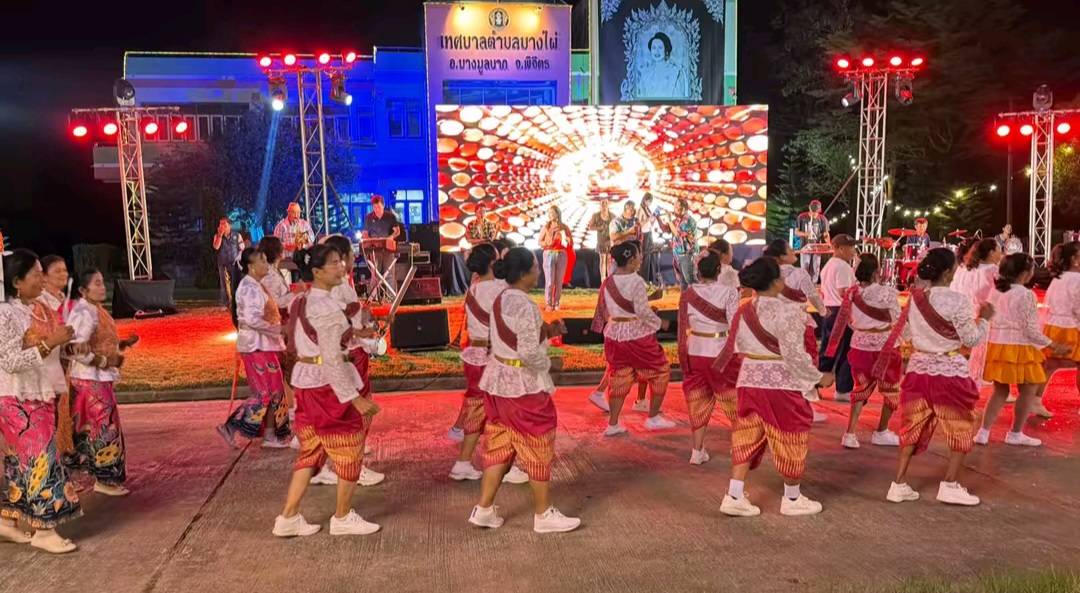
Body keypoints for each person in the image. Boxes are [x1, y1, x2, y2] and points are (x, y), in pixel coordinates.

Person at [467, 247, 580, 533]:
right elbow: (528, 353)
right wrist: (549, 364)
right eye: (536, 267)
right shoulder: (526, 305)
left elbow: (516, 337)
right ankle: (543, 514)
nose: (539, 271)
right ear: (525, 273)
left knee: (500, 445)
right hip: (522, 387)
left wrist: (549, 331)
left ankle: (484, 509)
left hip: (498, 382)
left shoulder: (501, 298)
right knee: (538, 443)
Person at [272, 244, 381, 538]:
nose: (341, 266)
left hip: (306, 383)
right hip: (327, 387)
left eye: (339, 261)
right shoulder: (328, 309)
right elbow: (332, 359)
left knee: (311, 451)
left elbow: (301, 340)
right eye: (334, 263)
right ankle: (342, 516)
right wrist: (354, 398)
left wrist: (357, 333)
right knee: (349, 450)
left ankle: (288, 517)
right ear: (317, 272)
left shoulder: (301, 301)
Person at [718, 257, 834, 518]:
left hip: (750, 378)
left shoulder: (743, 310)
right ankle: (792, 498)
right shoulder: (790, 311)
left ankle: (734, 495)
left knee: (746, 434)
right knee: (790, 434)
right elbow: (794, 355)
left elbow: (735, 346)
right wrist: (817, 378)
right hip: (781, 383)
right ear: (774, 282)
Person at [884, 248, 993, 507]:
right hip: (950, 372)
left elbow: (905, 333)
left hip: (919, 369)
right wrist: (984, 320)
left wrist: (926, 341)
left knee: (911, 426)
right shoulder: (959, 301)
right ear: (947, 272)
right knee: (961, 426)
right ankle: (950, 485)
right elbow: (971, 339)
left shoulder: (915, 299)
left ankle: (898, 484)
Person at [0, 249, 81, 553]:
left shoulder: (35, 307)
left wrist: (66, 345)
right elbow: (10, 361)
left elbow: (48, 348)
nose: (42, 279)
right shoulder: (4, 313)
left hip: (40, 393)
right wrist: (50, 343)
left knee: (19, 463)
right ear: (17, 281)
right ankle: (44, 531)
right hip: (17, 397)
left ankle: (6, 521)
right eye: (36, 274)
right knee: (41, 460)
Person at [306, 235, 385, 488]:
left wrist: (365, 320)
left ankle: (331, 465)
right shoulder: (334, 289)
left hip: (352, 352)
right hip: (348, 356)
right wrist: (361, 329)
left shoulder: (339, 286)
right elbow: (343, 324)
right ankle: (351, 467)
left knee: (349, 415)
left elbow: (351, 317)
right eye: (347, 255)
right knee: (354, 414)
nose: (351, 259)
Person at [449, 243, 530, 484]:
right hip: (493, 357)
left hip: (474, 356)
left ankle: (463, 462)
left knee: (478, 410)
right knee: (506, 412)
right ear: (493, 263)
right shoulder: (500, 289)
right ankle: (504, 465)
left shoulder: (474, 288)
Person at [974, 254, 1069, 447]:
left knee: (1000, 391)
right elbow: (1029, 330)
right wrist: (1052, 344)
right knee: (1029, 389)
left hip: (999, 345)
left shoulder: (996, 291)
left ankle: (983, 433)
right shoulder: (1026, 295)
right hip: (1021, 347)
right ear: (1025, 273)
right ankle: (1015, 433)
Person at [65, 268, 138, 496]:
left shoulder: (95, 309)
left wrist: (121, 344)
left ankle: (101, 477)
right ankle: (105, 480)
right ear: (82, 290)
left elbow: (97, 342)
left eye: (102, 282)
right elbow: (74, 349)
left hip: (96, 379)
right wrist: (104, 361)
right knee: (105, 428)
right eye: (96, 283)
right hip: (90, 380)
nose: (102, 287)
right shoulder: (84, 312)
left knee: (100, 428)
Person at [591, 241, 676, 435]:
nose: (641, 258)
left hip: (614, 334)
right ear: (631, 260)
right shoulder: (636, 281)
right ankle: (653, 418)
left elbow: (605, 310)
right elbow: (642, 312)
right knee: (660, 370)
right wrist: (661, 323)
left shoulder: (608, 282)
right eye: (639, 255)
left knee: (619, 375)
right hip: (637, 336)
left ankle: (613, 424)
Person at [823, 254, 903, 449]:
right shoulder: (887, 293)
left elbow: (847, 321)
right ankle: (882, 431)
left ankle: (850, 433)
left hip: (860, 345)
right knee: (890, 390)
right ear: (877, 272)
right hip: (886, 347)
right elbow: (896, 318)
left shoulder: (851, 293)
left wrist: (862, 327)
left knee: (860, 389)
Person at [217, 248, 291, 450]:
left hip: (265, 344)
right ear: (251, 266)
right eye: (262, 261)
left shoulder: (256, 285)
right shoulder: (248, 287)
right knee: (264, 393)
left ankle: (270, 435)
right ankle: (231, 427)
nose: (266, 265)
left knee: (275, 391)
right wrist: (278, 329)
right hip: (255, 346)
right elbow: (252, 320)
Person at [677, 250, 740, 465]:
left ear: (698, 270)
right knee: (733, 401)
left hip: (695, 351)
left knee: (698, 401)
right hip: (721, 352)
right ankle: (739, 447)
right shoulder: (729, 292)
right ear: (719, 270)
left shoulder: (688, 293)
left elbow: (682, 327)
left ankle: (697, 451)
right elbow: (734, 324)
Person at [765, 239, 829, 423]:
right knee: (805, 362)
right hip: (797, 324)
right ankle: (805, 408)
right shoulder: (799, 273)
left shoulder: (768, 274)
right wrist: (823, 311)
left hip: (774, 325)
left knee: (781, 363)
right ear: (781, 256)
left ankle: (779, 406)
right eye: (790, 250)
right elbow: (813, 296)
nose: (794, 252)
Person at [949, 238, 1002, 383]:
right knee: (979, 353)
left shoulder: (963, 268)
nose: (1001, 253)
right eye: (998, 249)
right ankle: (976, 379)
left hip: (961, 315)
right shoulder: (994, 271)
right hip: (983, 317)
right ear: (991, 252)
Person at [818, 234, 859, 404]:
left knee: (829, 349)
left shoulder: (829, 265)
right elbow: (844, 292)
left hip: (830, 310)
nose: (853, 251)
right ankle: (842, 388)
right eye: (851, 248)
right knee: (845, 351)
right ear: (840, 248)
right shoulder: (842, 266)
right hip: (841, 312)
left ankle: (816, 385)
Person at [1039, 241, 1080, 403]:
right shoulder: (1077, 279)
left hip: (1053, 325)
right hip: (1072, 327)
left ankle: (1035, 400)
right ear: (1074, 258)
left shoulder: (1058, 278)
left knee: (1050, 365)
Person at [361, 195, 402, 298]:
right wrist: (369, 240)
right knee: (375, 275)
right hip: (374, 249)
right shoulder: (369, 217)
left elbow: (397, 231)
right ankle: (373, 298)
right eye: (374, 207)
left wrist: (390, 237)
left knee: (389, 273)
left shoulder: (390, 216)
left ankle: (391, 297)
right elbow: (365, 233)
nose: (377, 210)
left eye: (379, 207)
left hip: (388, 248)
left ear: (383, 206)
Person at [634, 31, 690, 99]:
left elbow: (679, 98)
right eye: (654, 48)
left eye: (660, 47)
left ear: (666, 50)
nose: (657, 51)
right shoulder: (645, 73)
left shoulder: (676, 72)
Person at [538, 206, 573, 312]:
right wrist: (546, 243)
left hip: (561, 254)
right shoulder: (546, 227)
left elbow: (570, 242)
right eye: (549, 213)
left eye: (552, 213)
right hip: (549, 253)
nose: (550, 215)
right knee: (549, 281)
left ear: (558, 214)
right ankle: (548, 303)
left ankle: (556, 302)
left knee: (559, 281)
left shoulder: (564, 227)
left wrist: (568, 240)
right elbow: (539, 242)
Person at [794, 200, 830, 283]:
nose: (813, 213)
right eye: (812, 211)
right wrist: (805, 234)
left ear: (819, 210)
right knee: (805, 267)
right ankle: (804, 285)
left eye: (815, 212)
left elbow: (826, 233)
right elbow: (796, 232)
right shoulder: (802, 217)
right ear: (809, 208)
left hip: (817, 247)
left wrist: (828, 242)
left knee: (816, 267)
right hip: (805, 246)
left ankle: (814, 285)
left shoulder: (822, 219)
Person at [213, 217, 245, 307]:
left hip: (234, 263)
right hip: (222, 263)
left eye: (224, 224)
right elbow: (216, 247)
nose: (222, 226)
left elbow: (242, 248)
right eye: (220, 224)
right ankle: (225, 303)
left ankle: (237, 303)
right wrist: (220, 235)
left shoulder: (237, 235)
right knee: (224, 284)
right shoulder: (217, 236)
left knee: (236, 283)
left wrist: (239, 259)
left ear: (229, 225)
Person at [667, 199, 699, 289]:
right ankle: (685, 298)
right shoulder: (677, 220)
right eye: (674, 206)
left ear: (684, 209)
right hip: (678, 255)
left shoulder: (688, 220)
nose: (675, 209)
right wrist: (658, 217)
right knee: (682, 282)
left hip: (687, 254)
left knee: (690, 280)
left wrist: (669, 220)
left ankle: (696, 297)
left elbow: (677, 234)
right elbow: (666, 229)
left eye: (678, 207)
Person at [588, 199, 614, 279]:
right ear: (600, 205)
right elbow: (590, 227)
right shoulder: (596, 215)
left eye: (606, 203)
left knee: (609, 260)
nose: (604, 205)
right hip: (601, 240)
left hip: (610, 240)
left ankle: (609, 279)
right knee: (602, 259)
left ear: (608, 205)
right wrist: (599, 227)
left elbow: (617, 227)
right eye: (602, 204)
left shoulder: (613, 216)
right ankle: (603, 279)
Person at [637, 193, 658, 283]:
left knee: (650, 256)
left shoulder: (647, 209)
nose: (649, 203)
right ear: (645, 200)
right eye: (649, 201)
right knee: (645, 257)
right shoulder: (640, 209)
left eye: (650, 201)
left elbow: (650, 223)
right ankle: (643, 280)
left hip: (649, 233)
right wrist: (648, 219)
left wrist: (654, 218)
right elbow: (639, 224)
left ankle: (650, 279)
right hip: (644, 235)